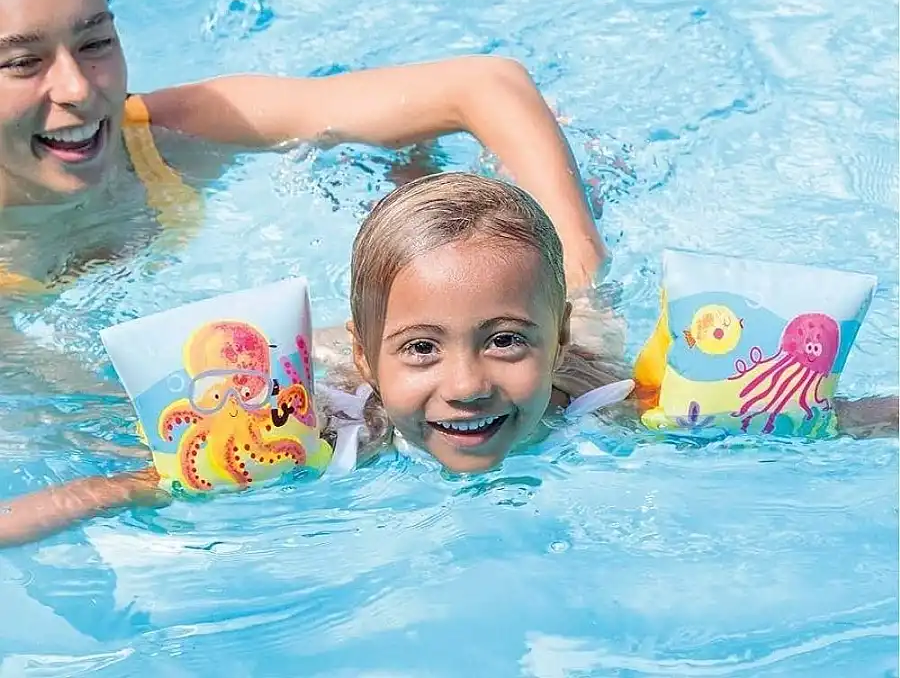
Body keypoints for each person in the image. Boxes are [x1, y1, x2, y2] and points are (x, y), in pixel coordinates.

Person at [0, 174, 895, 547]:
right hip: (343, 361)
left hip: (583, 336)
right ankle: (410, 178)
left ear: (550, 343)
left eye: (506, 342)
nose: (466, 386)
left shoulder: (617, 411)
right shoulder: (329, 435)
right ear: (369, 356)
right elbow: (116, 489)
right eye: (422, 350)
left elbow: (850, 420)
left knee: (586, 287)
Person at [0, 0, 604, 294]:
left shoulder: (171, 133)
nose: (78, 88)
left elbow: (486, 84)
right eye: (25, 62)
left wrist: (576, 283)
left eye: (96, 42)